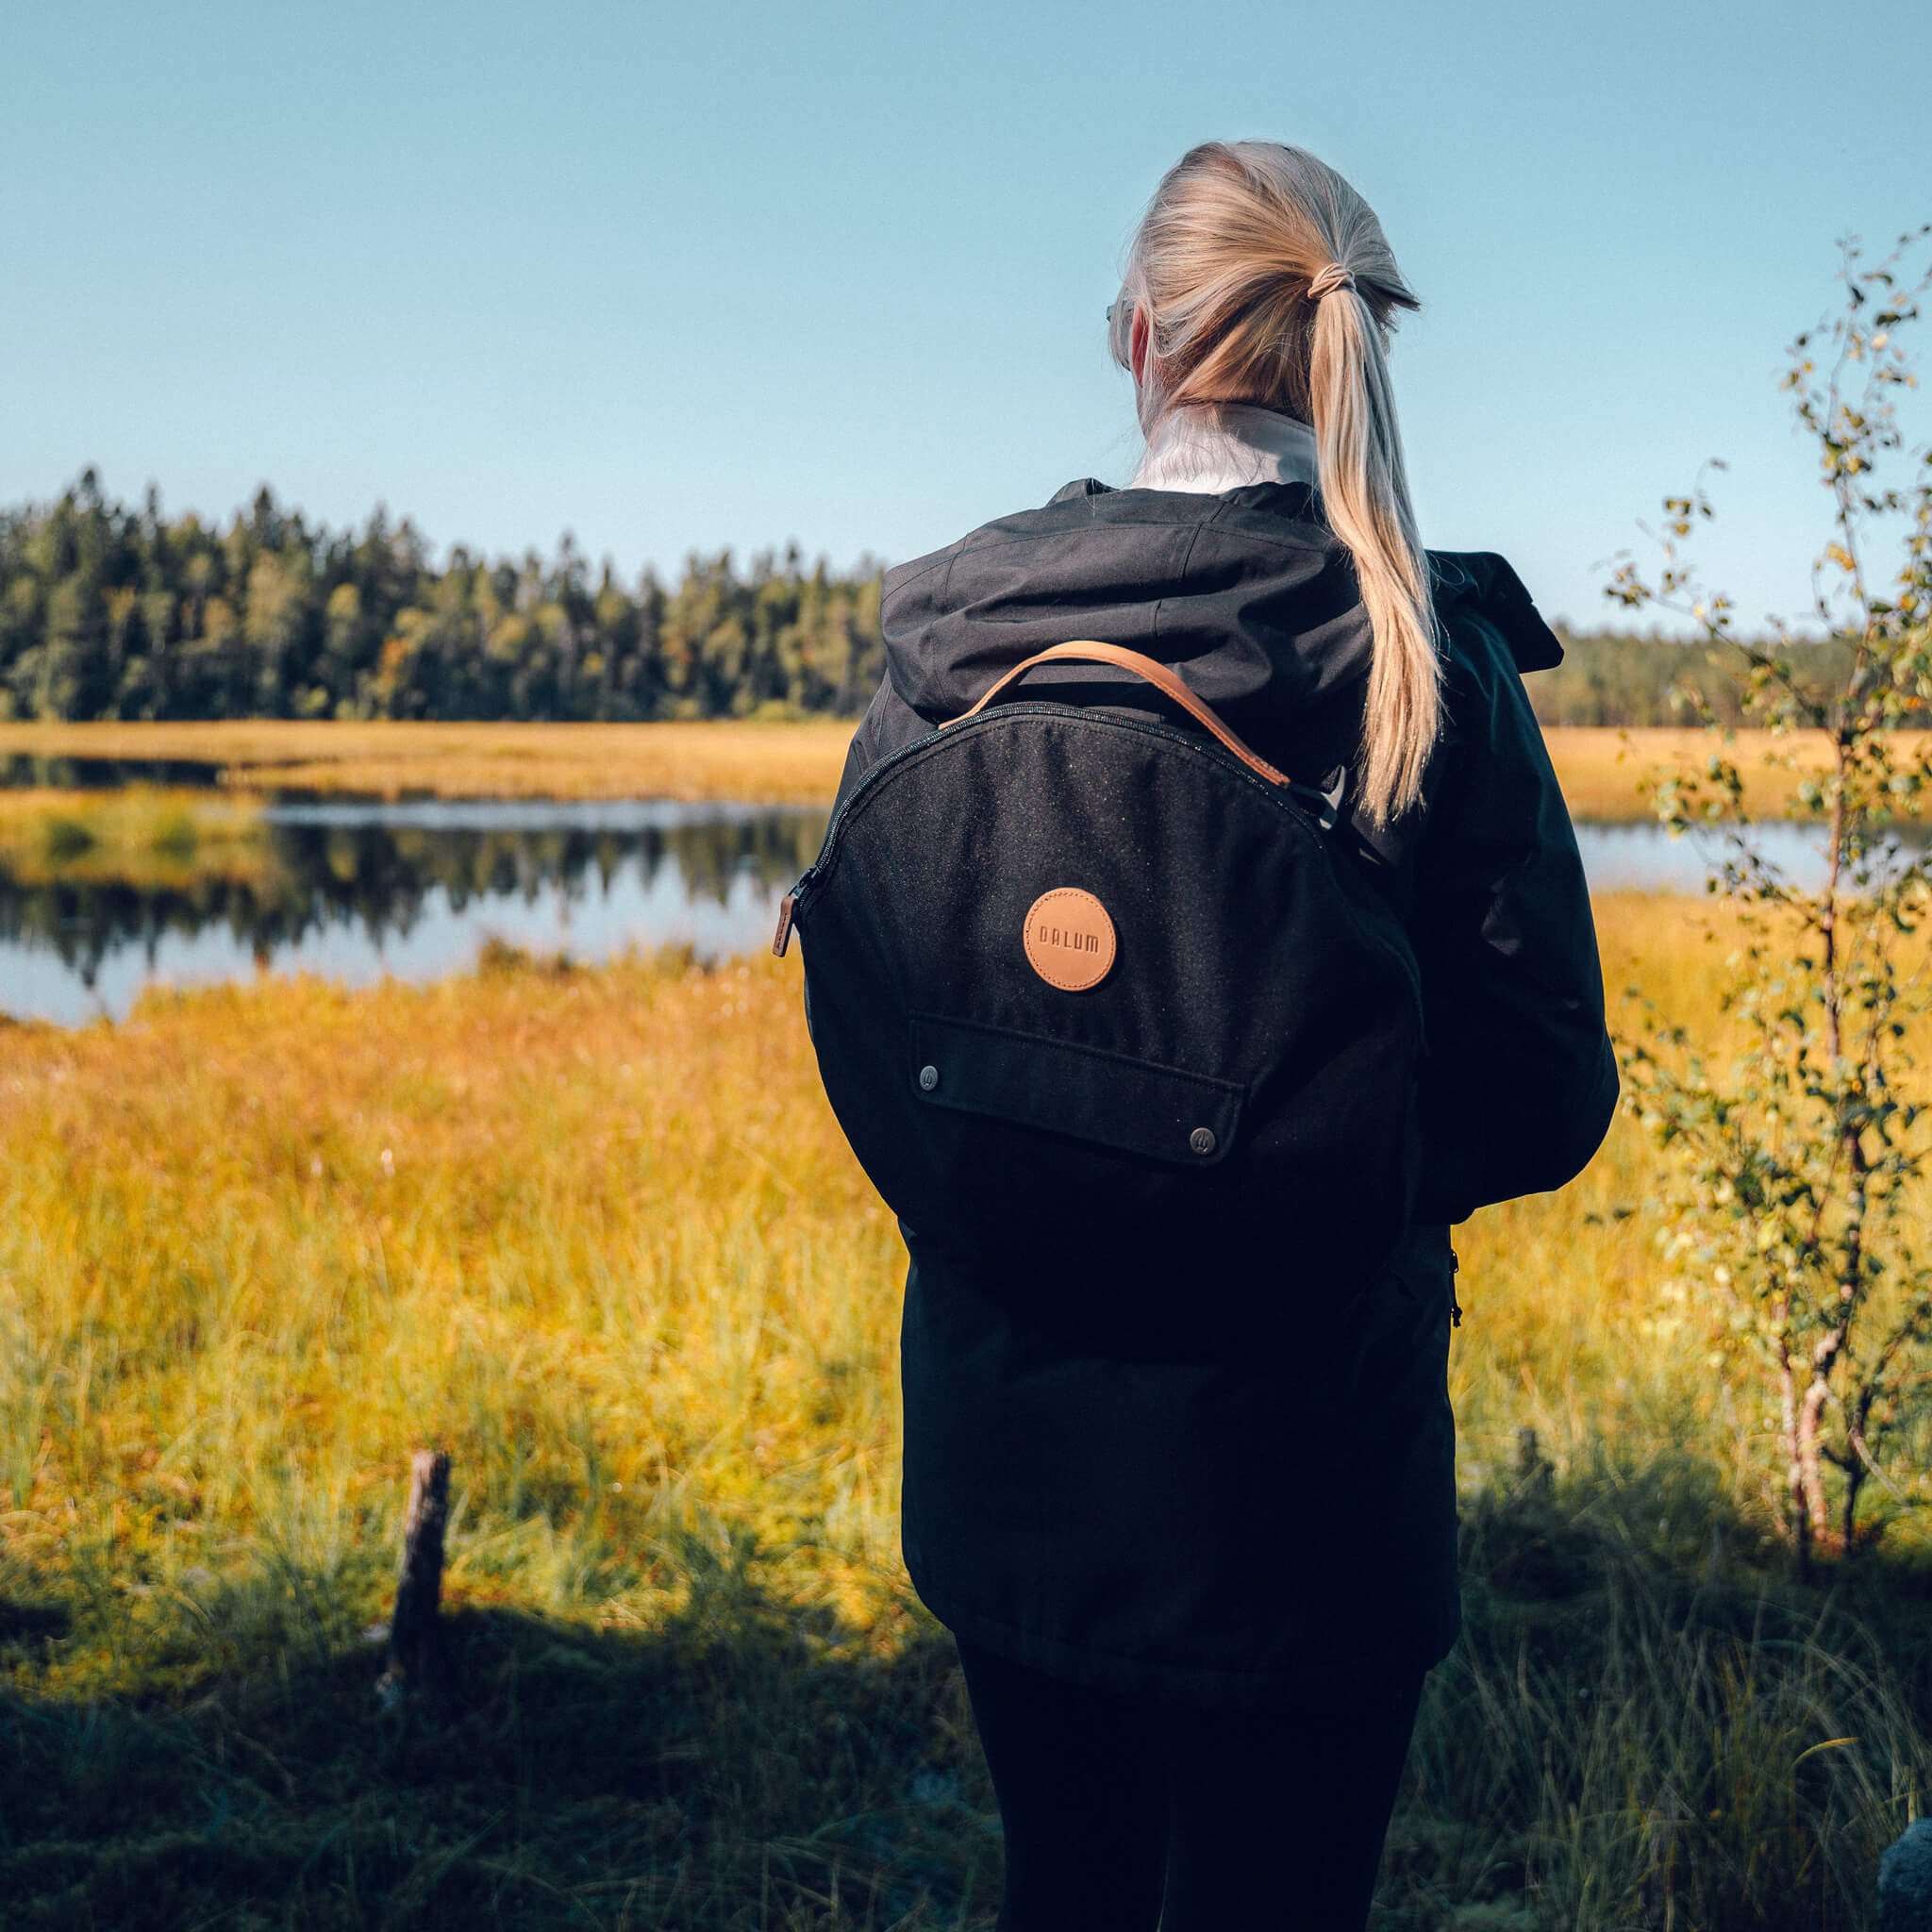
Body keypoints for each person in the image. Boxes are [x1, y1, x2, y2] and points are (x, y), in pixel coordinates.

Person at [831, 140, 1619, 1930]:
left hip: (1005, 1465)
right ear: (1339, 344)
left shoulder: (958, 632)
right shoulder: (1419, 649)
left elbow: (883, 1013)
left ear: (1136, 336)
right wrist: (1324, 1178)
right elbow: (1547, 1096)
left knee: (1066, 1895)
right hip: (1309, 1488)